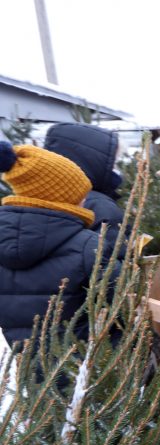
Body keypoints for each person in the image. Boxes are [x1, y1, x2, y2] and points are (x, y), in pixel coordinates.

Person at [0, 141, 123, 346]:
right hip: (89, 365)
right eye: (80, 195)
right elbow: (122, 301)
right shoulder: (89, 246)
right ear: (61, 198)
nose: (85, 200)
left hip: (28, 367)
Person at [43, 122, 126, 258]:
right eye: (113, 163)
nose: (116, 170)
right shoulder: (100, 206)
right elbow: (113, 265)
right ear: (94, 163)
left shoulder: (39, 199)